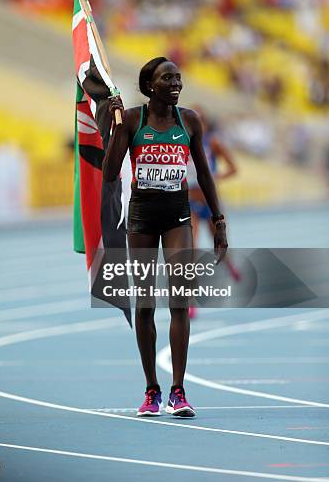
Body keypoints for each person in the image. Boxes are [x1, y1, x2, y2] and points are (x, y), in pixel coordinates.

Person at [102, 57, 228, 418]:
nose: (175, 83)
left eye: (178, 77)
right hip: (142, 216)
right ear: (149, 86)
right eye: (167, 78)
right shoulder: (131, 120)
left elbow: (204, 173)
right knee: (145, 305)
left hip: (177, 215)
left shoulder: (189, 121)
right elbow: (111, 173)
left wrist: (219, 221)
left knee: (179, 302)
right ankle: (151, 390)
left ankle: (178, 390)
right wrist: (115, 129)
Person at [187, 108, 240, 319]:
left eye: (198, 120)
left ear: (205, 123)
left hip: (210, 202)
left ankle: (229, 265)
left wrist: (214, 176)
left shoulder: (213, 142)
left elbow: (233, 168)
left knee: (218, 244)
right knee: (189, 250)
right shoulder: (181, 141)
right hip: (189, 201)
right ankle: (191, 301)